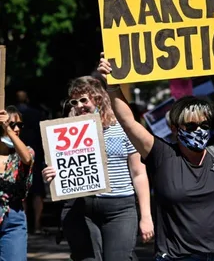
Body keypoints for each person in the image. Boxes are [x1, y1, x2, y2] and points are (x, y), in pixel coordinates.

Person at [97, 40, 214, 261]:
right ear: (175, 128)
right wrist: (112, 83)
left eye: (204, 125)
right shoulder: (161, 155)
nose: (199, 130)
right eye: (190, 126)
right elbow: (128, 121)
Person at [42, 76, 154, 261]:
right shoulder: (65, 135)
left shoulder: (122, 128)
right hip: (81, 209)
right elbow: (61, 171)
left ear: (98, 99)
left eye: (84, 99)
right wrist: (52, 174)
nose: (80, 105)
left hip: (120, 209)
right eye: (75, 102)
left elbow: (139, 173)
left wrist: (146, 217)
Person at [0, 106, 34, 260]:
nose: (16, 129)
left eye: (19, 125)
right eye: (12, 124)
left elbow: (27, 159)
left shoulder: (25, 151)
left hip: (13, 219)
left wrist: (8, 129)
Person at [15, 89, 46, 234]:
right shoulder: (36, 114)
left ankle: (24, 224)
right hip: (36, 155)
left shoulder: (12, 116)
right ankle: (38, 225)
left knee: (22, 192)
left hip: (16, 154)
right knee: (37, 192)